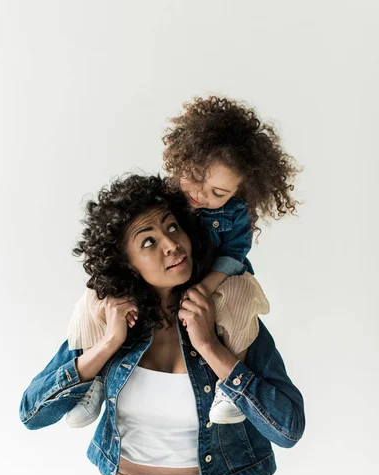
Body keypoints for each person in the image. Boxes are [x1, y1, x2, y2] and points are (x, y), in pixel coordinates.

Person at [19, 174, 305, 475]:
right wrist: (108, 345)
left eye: (172, 227)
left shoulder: (230, 318)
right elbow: (32, 413)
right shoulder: (107, 321)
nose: (171, 244)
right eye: (148, 241)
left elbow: (288, 428)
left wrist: (209, 346)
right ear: (126, 263)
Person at [65, 95, 301, 428]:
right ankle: (94, 380)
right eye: (195, 177)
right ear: (181, 160)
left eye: (218, 193)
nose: (202, 196)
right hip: (158, 287)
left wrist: (206, 299)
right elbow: (31, 412)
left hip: (219, 277)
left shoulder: (235, 216)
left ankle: (227, 388)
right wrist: (105, 347)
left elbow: (233, 256)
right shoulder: (165, 199)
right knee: (95, 298)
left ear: (239, 192)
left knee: (240, 299)